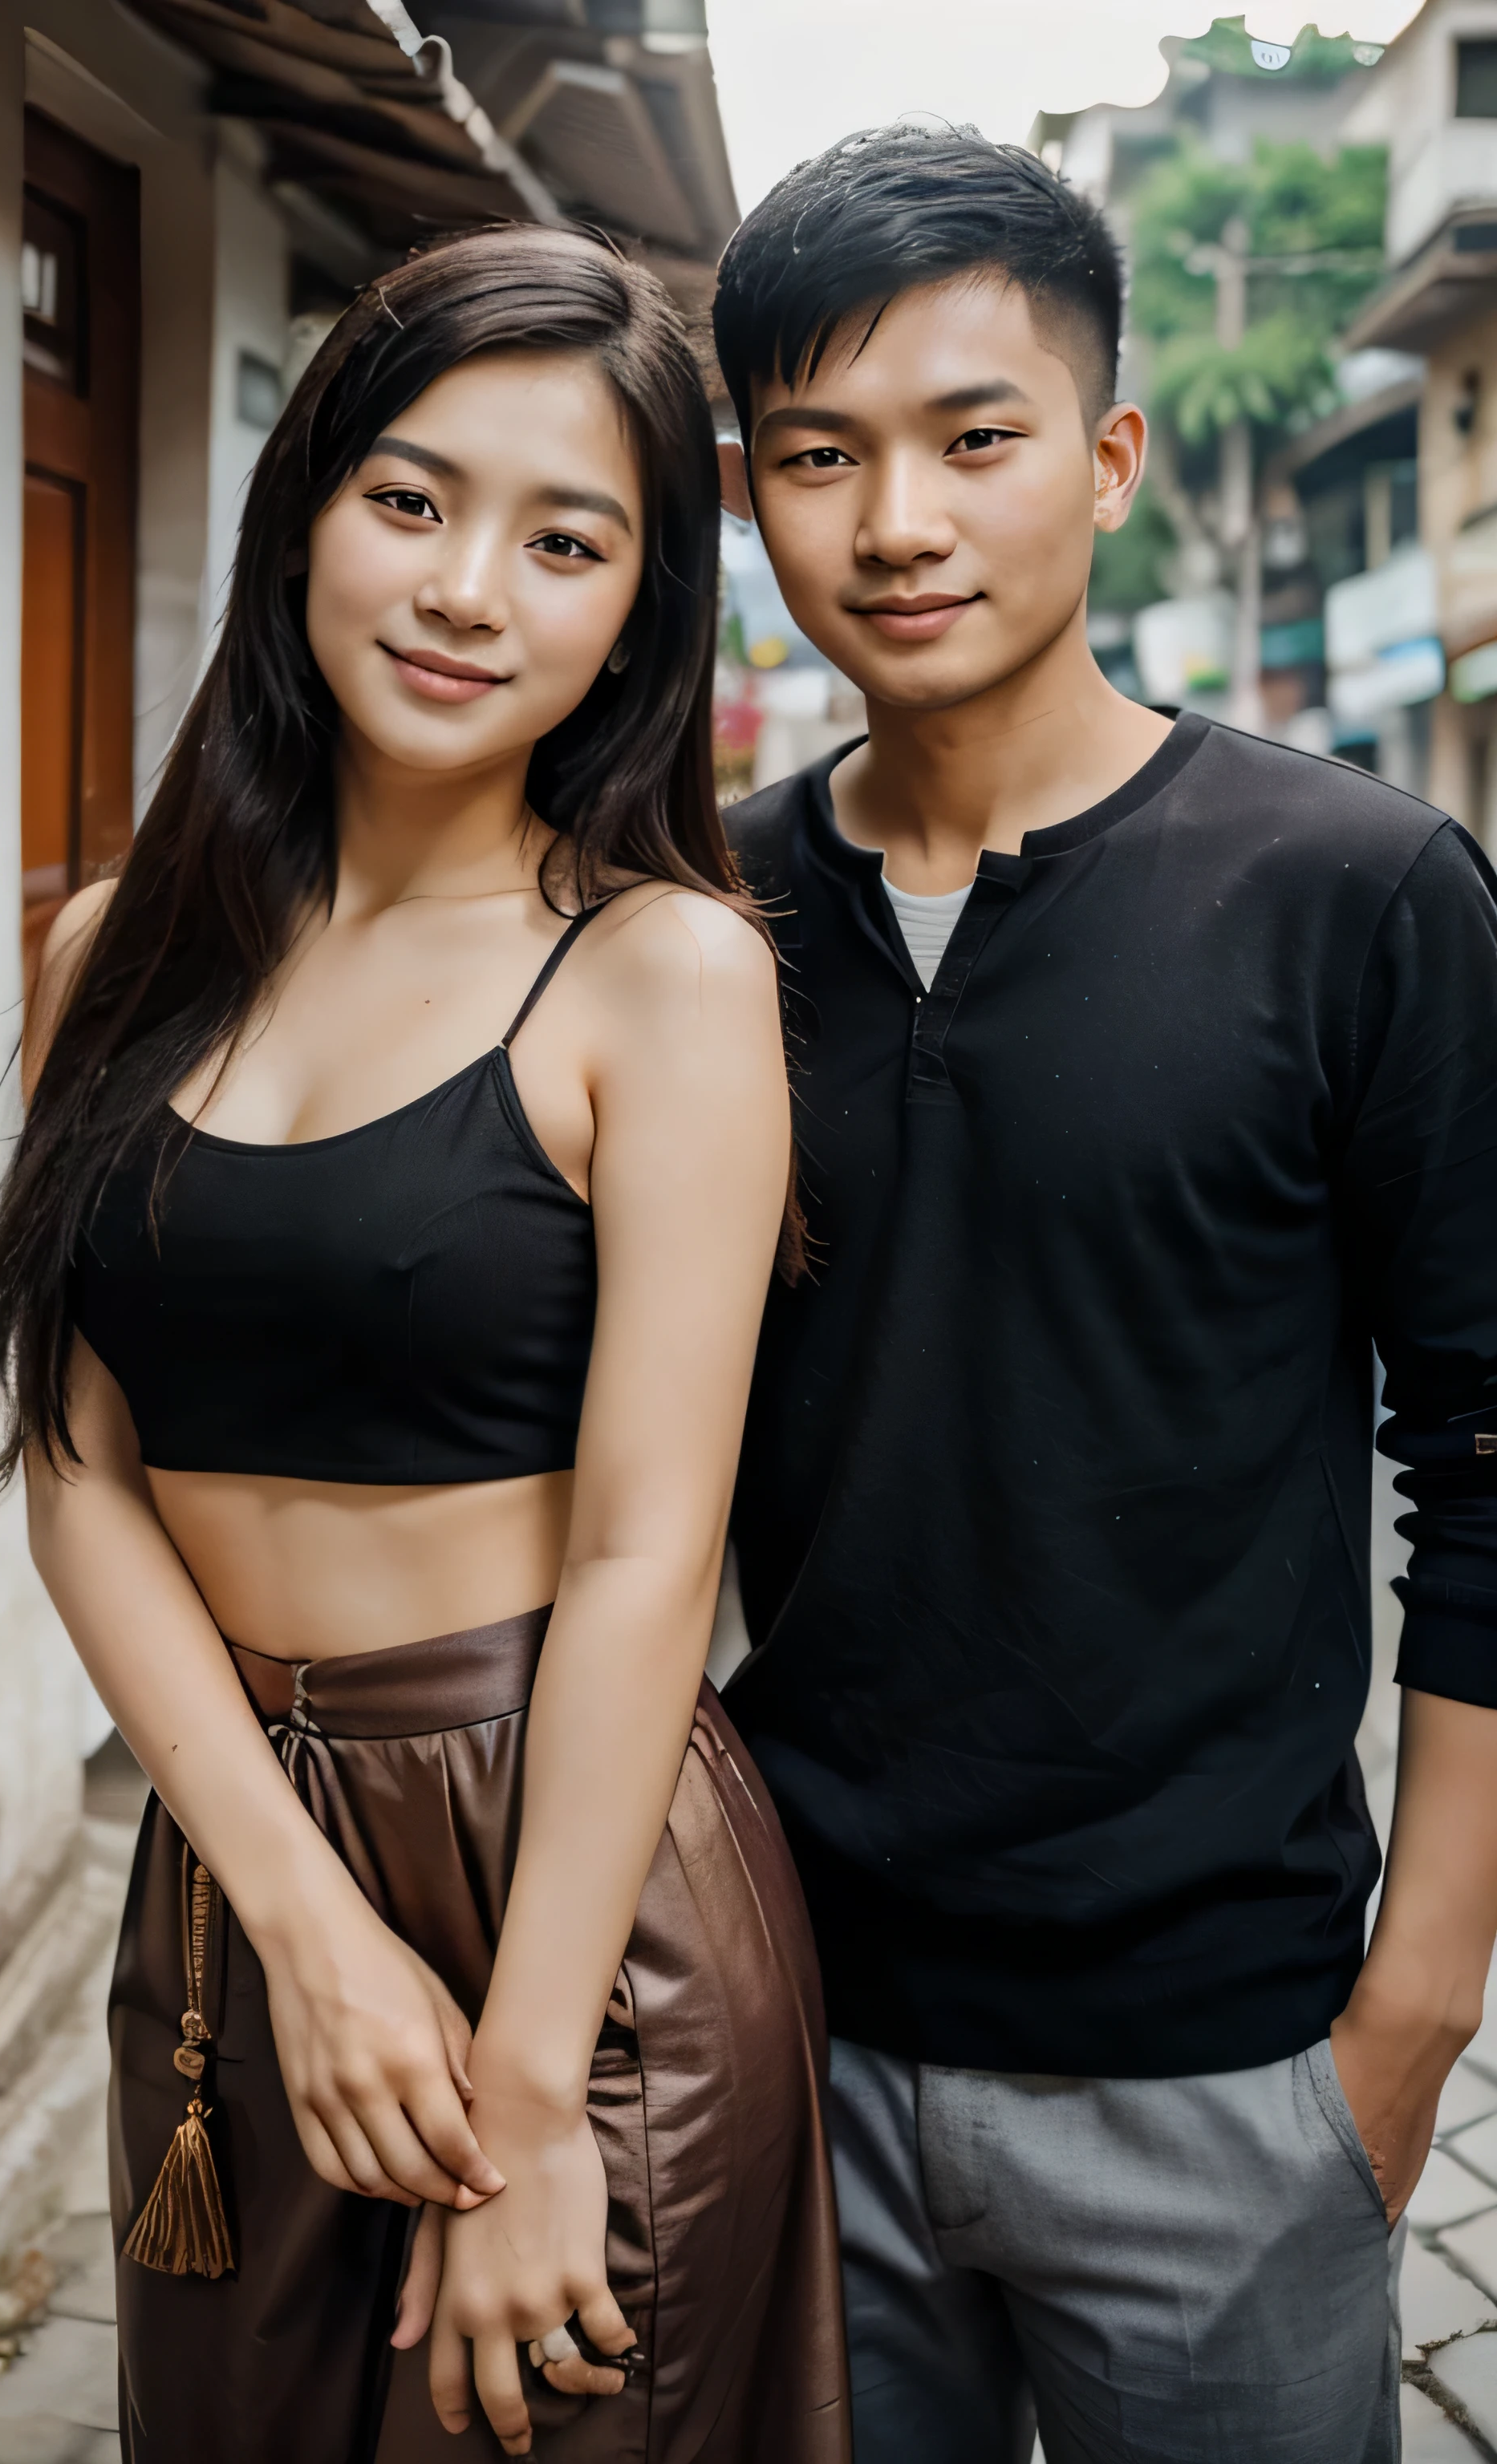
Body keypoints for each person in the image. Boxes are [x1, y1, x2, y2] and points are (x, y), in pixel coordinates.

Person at [0, 225, 846, 2464]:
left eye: (566, 541)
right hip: (230, 1883)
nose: (470, 588)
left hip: (567, 1884)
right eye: (414, 497)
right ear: (308, 512)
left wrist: (538, 2088)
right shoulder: (113, 951)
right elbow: (82, 1471)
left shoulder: (663, 977)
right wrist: (295, 1915)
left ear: (641, 612)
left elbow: (659, 1553)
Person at [709, 124, 1497, 2464]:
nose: (900, 524)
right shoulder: (696, 930)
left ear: (1112, 458)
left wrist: (1413, 2018)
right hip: (801, 2042)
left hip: (1229, 2073)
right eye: (819, 458)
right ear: (750, 498)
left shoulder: (1353, 889)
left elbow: (1482, 1452)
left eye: (976, 439)